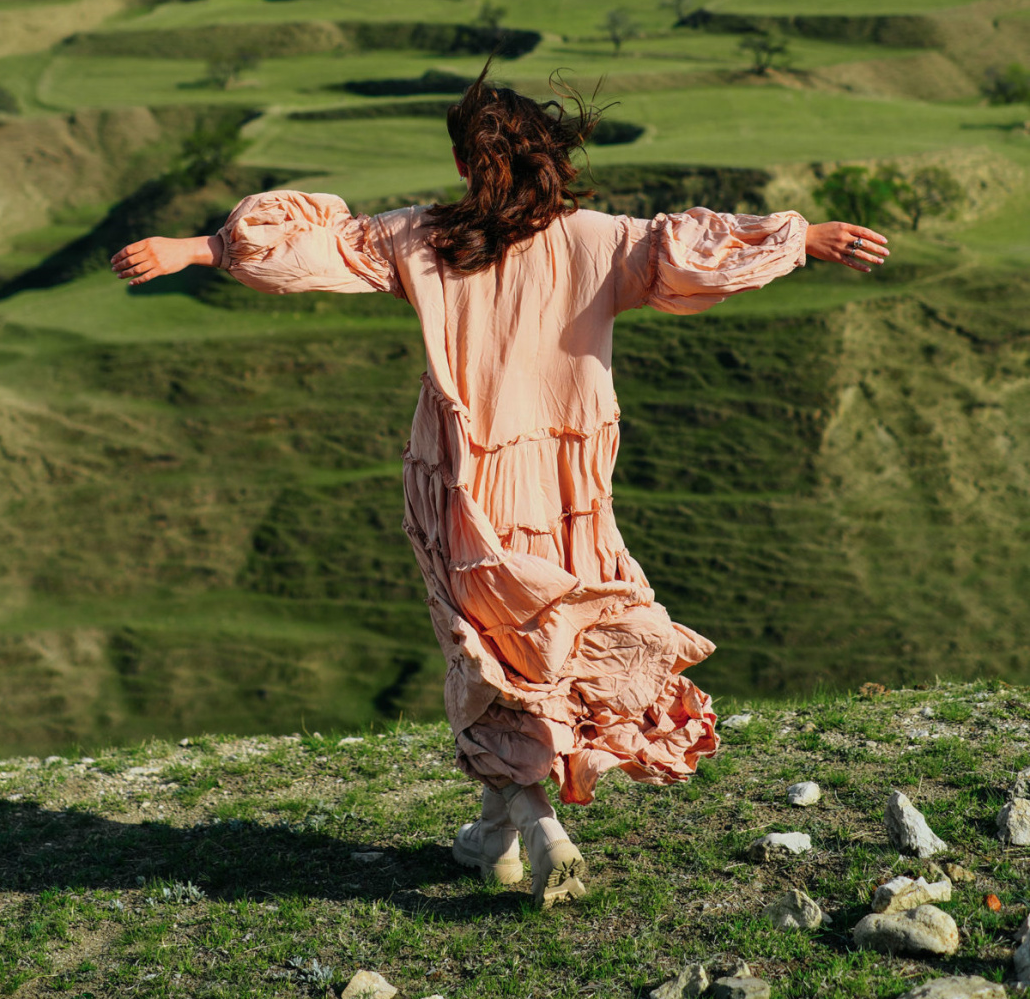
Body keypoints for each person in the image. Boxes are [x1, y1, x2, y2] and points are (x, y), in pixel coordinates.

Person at [110, 71, 888, 906]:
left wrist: (196, 249)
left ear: (462, 161)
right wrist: (801, 239)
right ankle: (494, 840)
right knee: (540, 637)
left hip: (461, 472)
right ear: (549, 155)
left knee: (481, 643)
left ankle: (536, 824)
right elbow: (691, 252)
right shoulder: (601, 237)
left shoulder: (418, 235)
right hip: (566, 478)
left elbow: (305, 253)